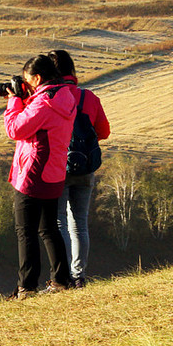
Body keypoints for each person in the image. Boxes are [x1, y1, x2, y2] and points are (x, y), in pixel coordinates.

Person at [5, 54, 79, 299]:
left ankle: (26, 287)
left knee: (25, 231)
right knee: (49, 228)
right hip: (54, 171)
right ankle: (61, 280)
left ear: (37, 78)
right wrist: (26, 98)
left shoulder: (44, 103)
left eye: (28, 81)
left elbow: (15, 129)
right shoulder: (64, 96)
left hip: (33, 173)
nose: (26, 85)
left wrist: (15, 100)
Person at [48, 50, 110, 288]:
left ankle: (62, 277)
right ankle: (79, 276)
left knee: (60, 222)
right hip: (85, 168)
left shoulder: (51, 97)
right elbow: (103, 132)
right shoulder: (89, 97)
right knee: (80, 224)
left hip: (58, 167)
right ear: (72, 70)